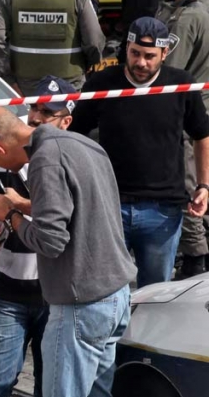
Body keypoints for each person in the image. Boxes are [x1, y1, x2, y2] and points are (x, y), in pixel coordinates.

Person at [0, 106, 136, 397]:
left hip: (81, 305)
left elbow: (50, 241)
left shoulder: (45, 159)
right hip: (116, 296)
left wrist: (11, 214)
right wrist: (21, 204)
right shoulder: (82, 144)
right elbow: (80, 203)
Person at [70, 16, 209, 287]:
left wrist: (204, 184)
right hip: (109, 206)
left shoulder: (181, 85)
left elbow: (202, 135)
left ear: (164, 53)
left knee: (155, 295)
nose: (141, 63)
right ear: (126, 48)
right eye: (135, 53)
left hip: (163, 212)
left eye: (149, 56)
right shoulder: (102, 83)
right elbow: (73, 133)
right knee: (106, 291)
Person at [0, 75, 77, 397]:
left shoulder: (73, 158)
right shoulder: (0, 155)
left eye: (46, 112)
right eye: (34, 108)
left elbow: (67, 214)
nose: (35, 118)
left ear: (66, 121)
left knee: (50, 393)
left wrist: (16, 208)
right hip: (7, 293)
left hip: (56, 296)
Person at [153, 0, 209, 277]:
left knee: (191, 188)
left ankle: (195, 258)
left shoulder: (186, 20)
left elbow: (168, 71)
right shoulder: (202, 9)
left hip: (190, 117)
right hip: (202, 112)